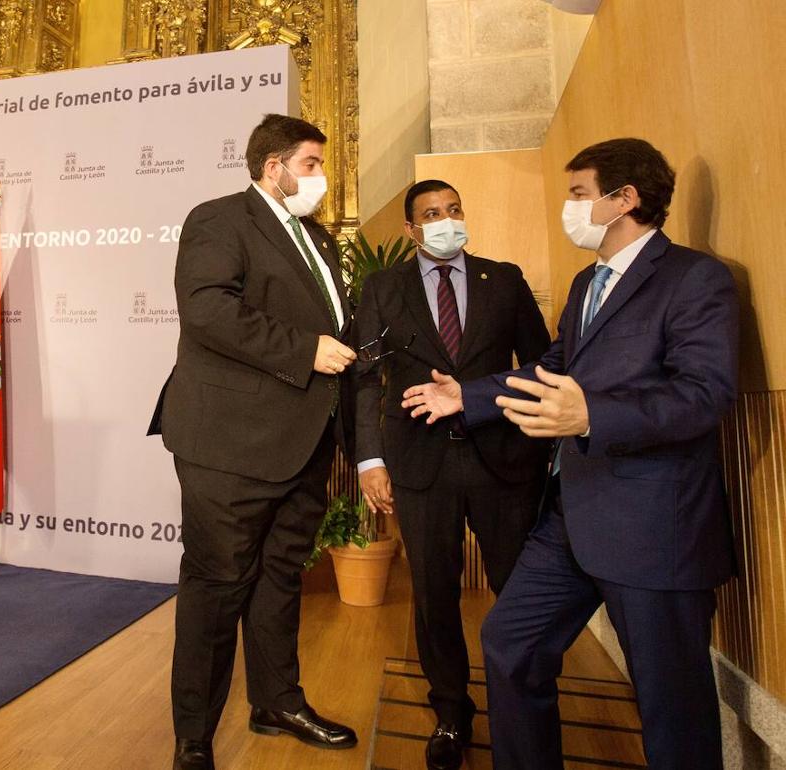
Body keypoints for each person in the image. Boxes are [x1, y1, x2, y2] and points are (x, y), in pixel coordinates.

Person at [401, 137, 737, 769]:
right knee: (509, 644)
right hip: (573, 516)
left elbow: (704, 394)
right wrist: (466, 396)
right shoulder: (589, 282)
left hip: (653, 525)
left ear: (625, 199)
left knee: (672, 704)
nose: (570, 206)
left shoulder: (695, 278)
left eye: (580, 194)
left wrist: (593, 415)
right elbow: (553, 367)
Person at [147, 113, 359, 770]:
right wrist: (306, 350)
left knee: (279, 580)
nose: (322, 178)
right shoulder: (218, 218)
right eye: (313, 165)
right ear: (275, 166)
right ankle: (193, 740)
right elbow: (208, 309)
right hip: (227, 445)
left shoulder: (317, 240)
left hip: (301, 444)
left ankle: (277, 701)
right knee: (216, 590)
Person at [354, 179, 551, 770]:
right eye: (433, 214)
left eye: (455, 209)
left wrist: (477, 397)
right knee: (433, 592)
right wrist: (370, 459)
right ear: (411, 230)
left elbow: (543, 363)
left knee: (517, 590)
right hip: (420, 464)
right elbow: (366, 378)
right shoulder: (383, 287)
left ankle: (521, 706)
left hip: (503, 460)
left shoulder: (505, 279)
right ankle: (451, 714)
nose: (447, 221)